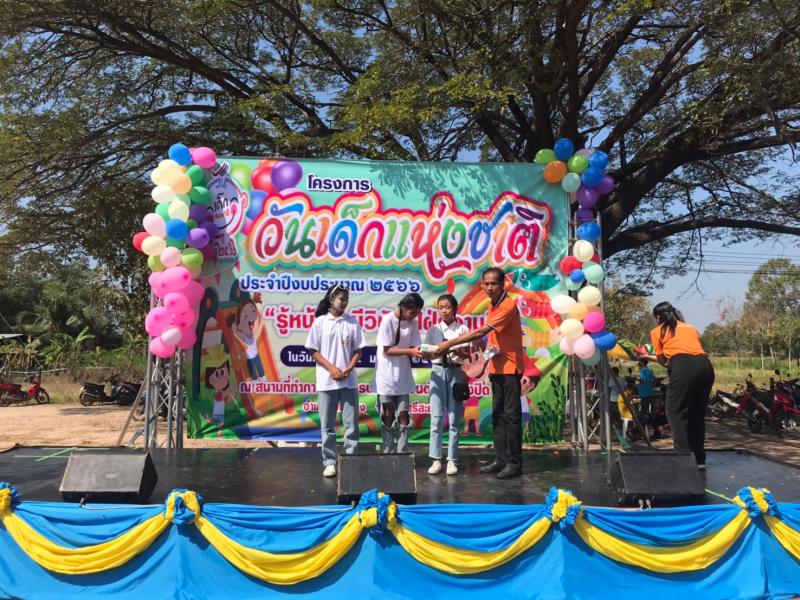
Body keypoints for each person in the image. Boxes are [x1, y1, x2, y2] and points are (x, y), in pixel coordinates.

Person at [435, 267, 524, 479]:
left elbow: (483, 331)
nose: (489, 287)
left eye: (494, 283)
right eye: (486, 283)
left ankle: (514, 463)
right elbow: (493, 339)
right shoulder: (493, 304)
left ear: (503, 285)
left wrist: (450, 343)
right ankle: (501, 460)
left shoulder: (507, 305)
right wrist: (483, 357)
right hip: (496, 368)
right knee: (497, 415)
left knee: (511, 417)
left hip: (510, 368)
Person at [305, 285, 364, 477]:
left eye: (346, 299)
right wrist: (331, 368)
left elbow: (358, 350)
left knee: (351, 424)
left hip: (349, 381)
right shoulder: (320, 322)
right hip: (327, 381)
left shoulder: (351, 322)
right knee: (328, 425)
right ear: (331, 300)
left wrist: (349, 368)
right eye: (341, 299)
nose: (344, 302)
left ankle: (351, 459)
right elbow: (313, 350)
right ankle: (329, 461)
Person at [650, 302, 715, 469]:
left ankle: (683, 457)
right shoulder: (690, 327)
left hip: (683, 366)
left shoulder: (658, 331)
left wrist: (649, 357)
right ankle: (699, 459)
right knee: (696, 413)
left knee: (674, 411)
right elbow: (691, 349)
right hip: (705, 366)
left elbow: (663, 361)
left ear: (658, 316)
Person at [424, 294, 469, 476]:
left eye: (447, 307)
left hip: (456, 372)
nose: (444, 311)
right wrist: (436, 350)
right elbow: (427, 354)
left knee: (454, 418)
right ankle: (436, 459)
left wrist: (453, 349)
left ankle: (452, 460)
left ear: (455, 309)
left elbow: (467, 354)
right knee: (436, 418)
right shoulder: (433, 330)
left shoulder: (462, 329)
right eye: (441, 307)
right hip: (437, 372)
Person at [375, 293, 425, 453]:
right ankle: (388, 450)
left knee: (403, 413)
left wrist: (428, 351)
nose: (414, 316)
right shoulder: (387, 320)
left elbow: (416, 346)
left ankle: (402, 450)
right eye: (412, 312)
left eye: (417, 313)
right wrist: (410, 351)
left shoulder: (413, 322)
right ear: (403, 307)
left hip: (403, 375)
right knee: (387, 413)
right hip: (385, 375)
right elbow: (387, 350)